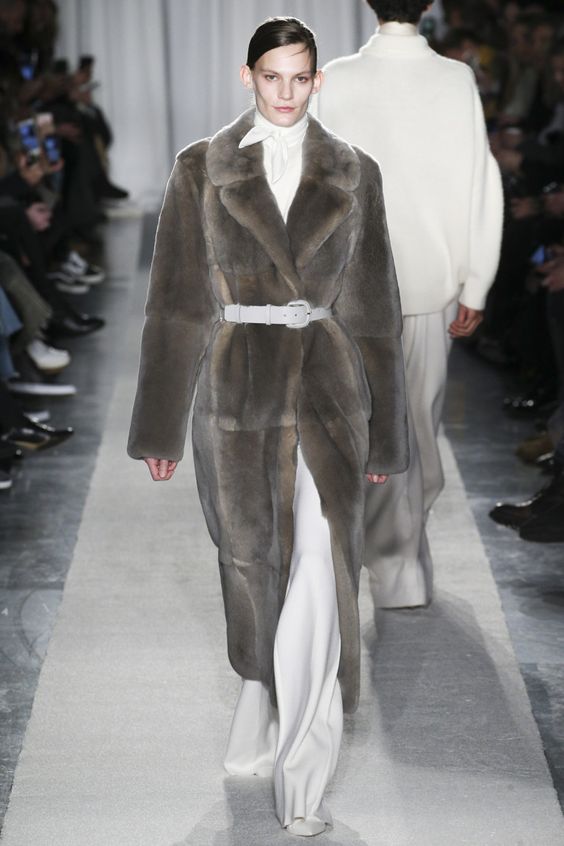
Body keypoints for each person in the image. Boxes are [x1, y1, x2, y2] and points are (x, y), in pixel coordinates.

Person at [128, 16, 408, 837]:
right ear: (247, 76)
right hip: (238, 389)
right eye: (272, 77)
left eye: (300, 77)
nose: (287, 93)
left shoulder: (354, 171)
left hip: (328, 387)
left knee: (322, 571)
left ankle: (303, 777)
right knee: (252, 562)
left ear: (319, 80)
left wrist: (389, 432)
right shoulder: (201, 168)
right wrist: (159, 426)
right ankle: (256, 698)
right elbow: (176, 303)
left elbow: (377, 309)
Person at [313, 0, 503, 609]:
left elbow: (315, 185)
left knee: (365, 425)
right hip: (430, 281)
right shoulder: (455, 78)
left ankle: (379, 558)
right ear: (427, 5)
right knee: (416, 427)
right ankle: (400, 567)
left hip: (351, 281)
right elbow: (480, 181)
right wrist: (476, 282)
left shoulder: (335, 78)